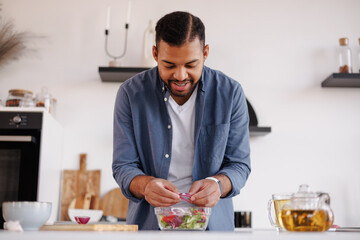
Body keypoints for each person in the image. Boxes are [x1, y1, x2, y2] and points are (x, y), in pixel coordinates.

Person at [112, 11, 251, 231]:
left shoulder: (230, 93)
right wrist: (147, 185)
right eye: (169, 65)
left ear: (205, 53)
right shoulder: (130, 94)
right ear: (155, 54)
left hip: (213, 229)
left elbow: (239, 165)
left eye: (190, 64)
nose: (180, 76)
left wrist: (217, 185)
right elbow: (123, 166)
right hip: (149, 228)